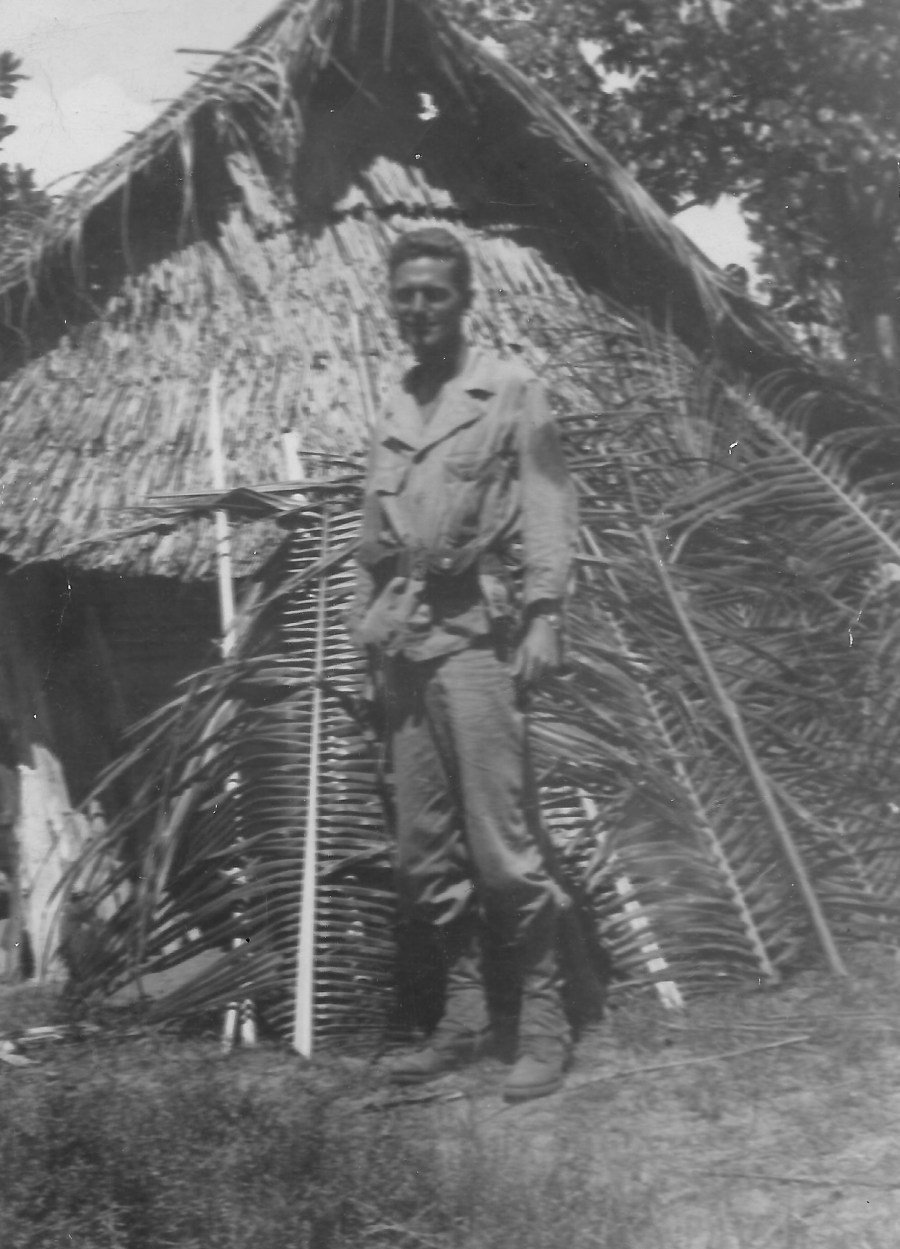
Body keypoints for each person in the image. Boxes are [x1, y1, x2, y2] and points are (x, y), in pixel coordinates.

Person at [349, 227, 577, 1102]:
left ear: (465, 298)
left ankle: (545, 1026)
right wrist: (364, 638)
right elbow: (373, 541)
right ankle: (465, 1018)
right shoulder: (397, 402)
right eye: (404, 294)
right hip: (404, 644)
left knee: (505, 853)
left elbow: (550, 497)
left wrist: (547, 610)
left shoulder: (510, 386)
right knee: (421, 859)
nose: (417, 309)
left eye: (434, 293)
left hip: (478, 637)